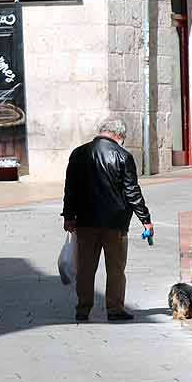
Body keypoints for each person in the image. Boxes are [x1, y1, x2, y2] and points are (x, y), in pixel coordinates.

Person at [62, 117, 153, 322]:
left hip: (85, 222)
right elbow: (132, 192)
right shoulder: (123, 156)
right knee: (116, 268)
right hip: (115, 223)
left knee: (85, 267)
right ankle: (114, 309)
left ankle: (83, 309)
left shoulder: (78, 154)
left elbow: (71, 189)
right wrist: (145, 219)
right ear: (118, 135)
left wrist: (69, 216)